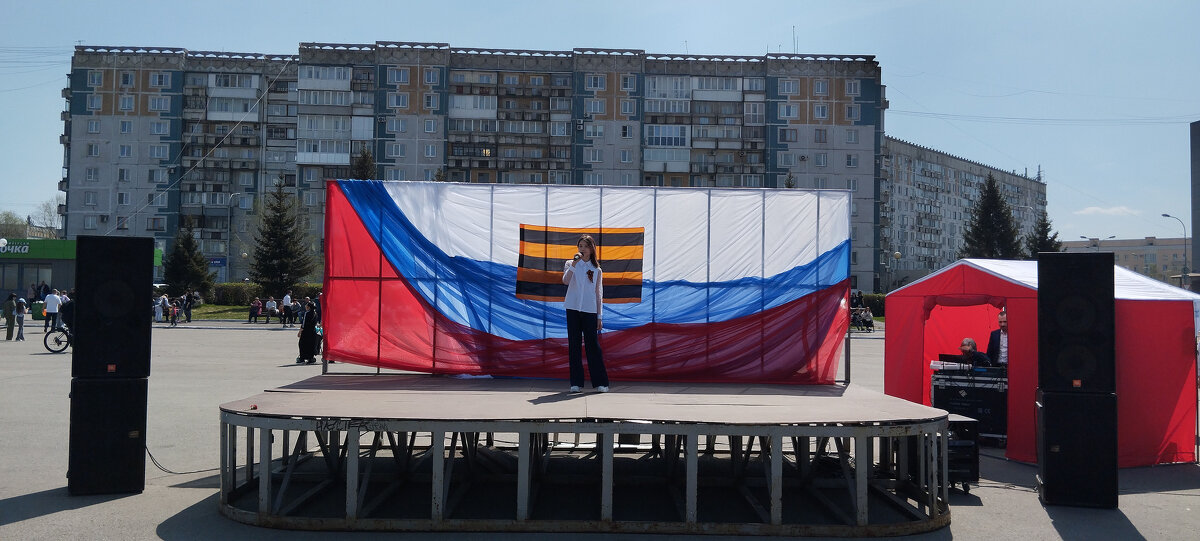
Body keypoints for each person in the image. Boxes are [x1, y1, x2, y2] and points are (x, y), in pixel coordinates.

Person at [562, 234, 609, 393]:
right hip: (573, 308)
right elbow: (565, 281)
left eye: (585, 246)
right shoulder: (570, 263)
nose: (582, 249)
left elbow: (598, 294)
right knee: (574, 346)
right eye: (580, 246)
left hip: (590, 311)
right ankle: (576, 383)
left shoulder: (596, 269)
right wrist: (574, 264)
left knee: (592, 347)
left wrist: (599, 316)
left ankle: (601, 382)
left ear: (591, 249)